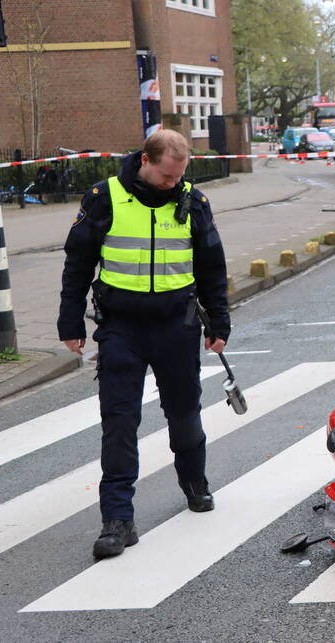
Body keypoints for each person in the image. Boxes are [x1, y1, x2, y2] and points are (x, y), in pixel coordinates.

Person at [58, 129, 231, 559]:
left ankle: (194, 482)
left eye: (180, 176)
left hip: (178, 326)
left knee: (184, 413)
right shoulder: (105, 196)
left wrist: (220, 321)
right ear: (145, 162)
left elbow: (212, 266)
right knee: (119, 422)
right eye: (167, 176)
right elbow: (78, 263)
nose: (174, 184)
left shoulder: (193, 201)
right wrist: (69, 321)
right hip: (122, 328)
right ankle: (117, 519)